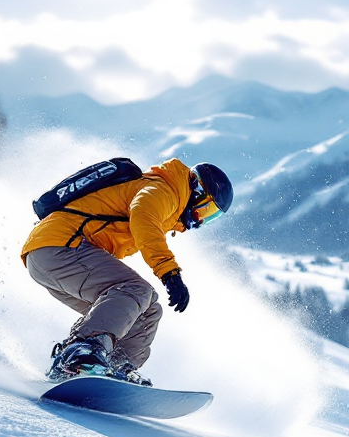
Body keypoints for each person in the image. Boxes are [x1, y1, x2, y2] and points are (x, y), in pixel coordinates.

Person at [21, 159, 233, 386]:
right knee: (136, 290)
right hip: (60, 245)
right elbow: (143, 217)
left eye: (210, 218)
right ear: (197, 193)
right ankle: (80, 356)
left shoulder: (166, 195)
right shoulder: (164, 190)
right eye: (206, 210)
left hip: (51, 254)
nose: (200, 220)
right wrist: (169, 272)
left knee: (146, 310)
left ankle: (114, 367)